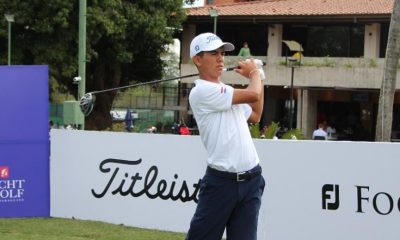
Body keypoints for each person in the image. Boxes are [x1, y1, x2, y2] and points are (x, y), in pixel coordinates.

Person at [186, 32, 265, 240]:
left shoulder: (226, 91)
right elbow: (253, 94)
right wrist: (254, 74)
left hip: (251, 180)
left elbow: (256, 114)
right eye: (213, 54)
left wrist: (259, 77)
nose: (221, 58)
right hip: (221, 184)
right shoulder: (201, 92)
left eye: (222, 53)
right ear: (198, 59)